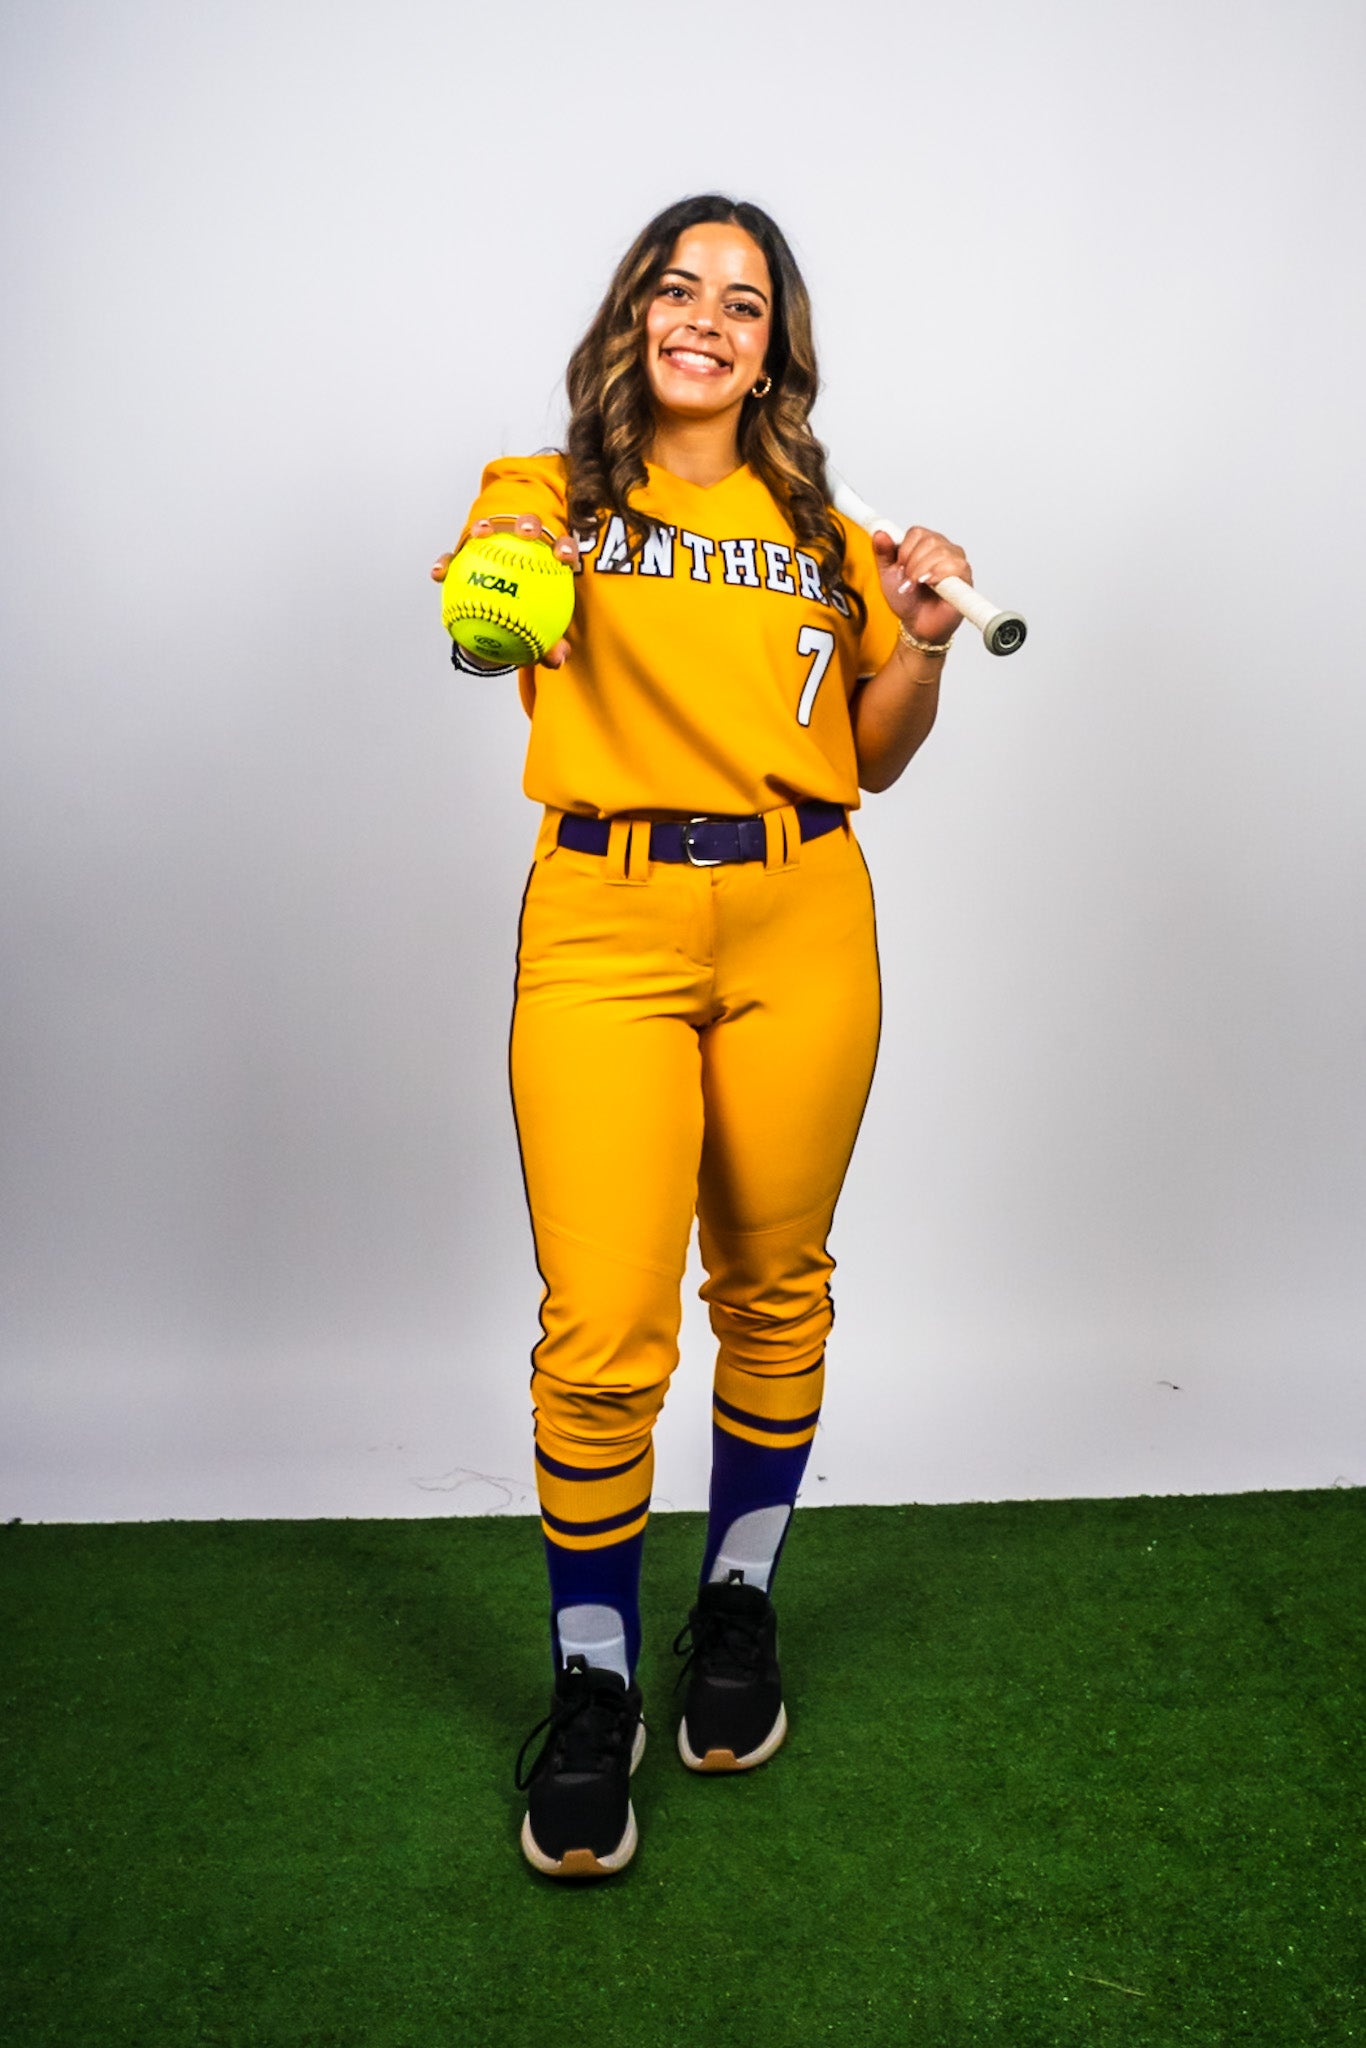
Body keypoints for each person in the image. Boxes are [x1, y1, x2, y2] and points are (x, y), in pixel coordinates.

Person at [431, 194, 973, 1879]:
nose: (706, 318)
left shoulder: (824, 530)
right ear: (632, 317)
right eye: (679, 288)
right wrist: (503, 593)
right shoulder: (547, 494)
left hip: (803, 914)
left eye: (743, 303)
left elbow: (872, 754)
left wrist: (923, 641)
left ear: (771, 352)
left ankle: (735, 1609)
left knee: (775, 1285)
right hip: (606, 920)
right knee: (603, 1335)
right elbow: (488, 607)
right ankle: (591, 1684)